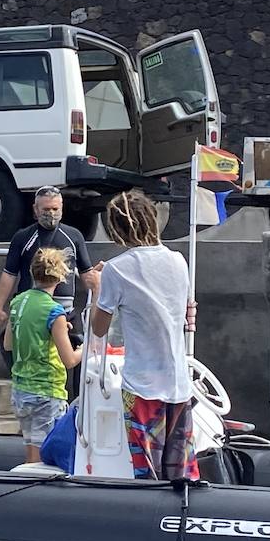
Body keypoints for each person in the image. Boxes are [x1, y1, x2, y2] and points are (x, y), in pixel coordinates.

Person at [88, 190, 198, 481]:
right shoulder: (178, 261)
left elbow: (99, 329)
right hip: (178, 384)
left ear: (117, 229)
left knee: (146, 473)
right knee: (181, 474)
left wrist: (97, 286)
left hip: (141, 387)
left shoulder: (116, 270)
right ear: (152, 219)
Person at [3, 247, 83, 463]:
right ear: (60, 278)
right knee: (43, 457)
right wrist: (85, 349)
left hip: (21, 389)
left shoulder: (18, 302)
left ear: (32, 272)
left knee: (31, 450)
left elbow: (8, 344)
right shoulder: (54, 311)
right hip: (46, 390)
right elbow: (69, 360)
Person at [0, 186, 102, 335]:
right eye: (46, 209)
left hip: (65, 311)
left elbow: (86, 272)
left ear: (62, 208)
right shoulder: (22, 237)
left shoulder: (74, 236)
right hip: (30, 309)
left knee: (74, 353)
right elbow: (9, 273)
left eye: (55, 209)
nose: (51, 213)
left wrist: (97, 291)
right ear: (36, 209)